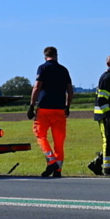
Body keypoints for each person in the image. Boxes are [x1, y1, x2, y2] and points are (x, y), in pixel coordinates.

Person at [27, 46, 74, 178]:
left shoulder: (43, 68)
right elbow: (70, 91)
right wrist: (67, 106)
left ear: (45, 56)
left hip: (44, 107)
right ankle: (58, 170)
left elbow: (37, 87)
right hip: (59, 109)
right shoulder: (64, 70)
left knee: (40, 135)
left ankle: (51, 161)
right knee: (59, 141)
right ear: (56, 55)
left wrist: (31, 105)